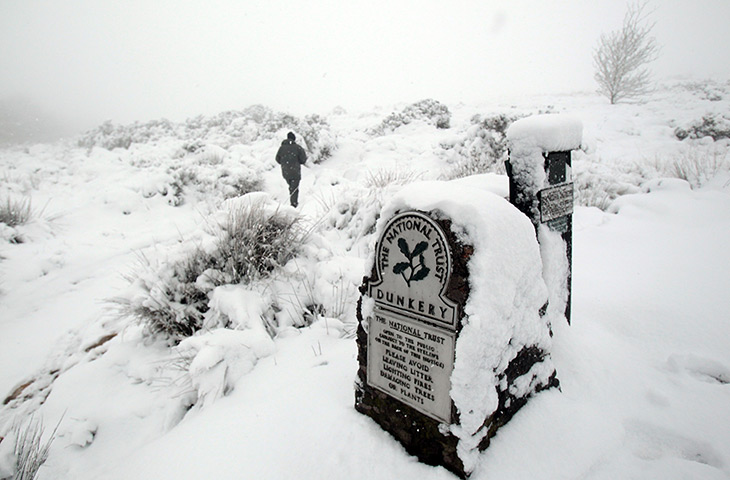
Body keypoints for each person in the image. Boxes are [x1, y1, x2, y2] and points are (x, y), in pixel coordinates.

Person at [275, 132, 307, 207]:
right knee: (294, 188)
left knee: (291, 186)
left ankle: (293, 200)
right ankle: (294, 204)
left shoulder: (281, 148)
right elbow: (303, 159)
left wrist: (284, 163)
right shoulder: (298, 148)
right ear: (294, 139)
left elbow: (277, 159)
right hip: (295, 171)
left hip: (285, 171)